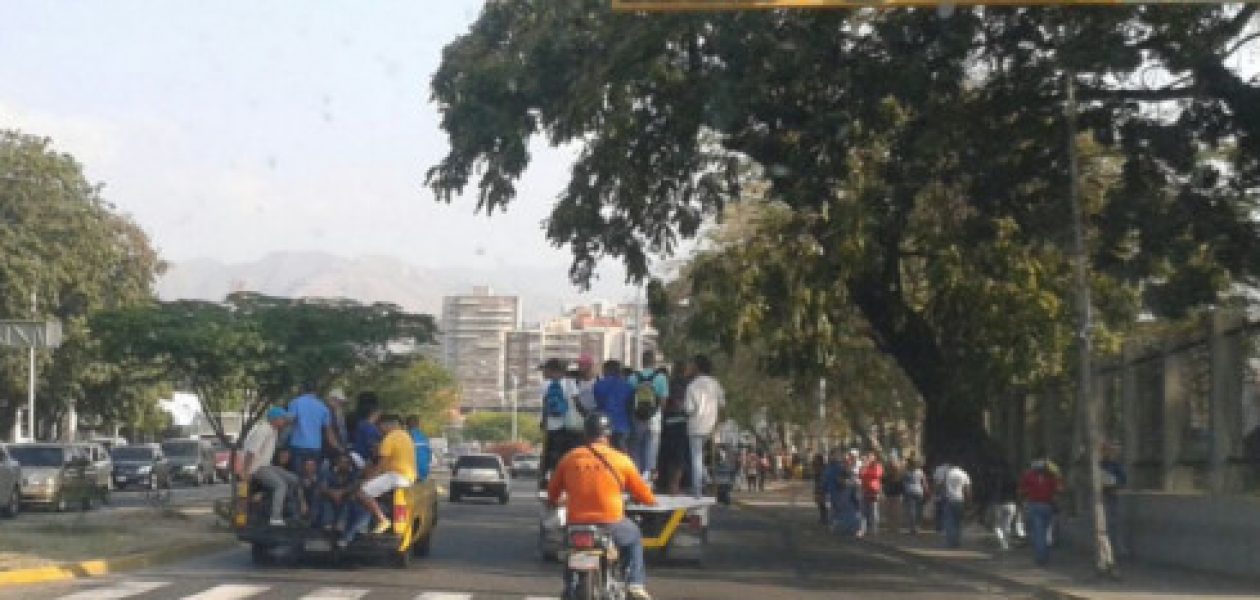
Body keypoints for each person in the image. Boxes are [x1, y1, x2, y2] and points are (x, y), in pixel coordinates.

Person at [547, 412, 657, 600]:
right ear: (608, 434)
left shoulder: (569, 458)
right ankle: (635, 584)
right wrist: (649, 500)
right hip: (611, 523)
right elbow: (644, 495)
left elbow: (553, 492)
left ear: (585, 434)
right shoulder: (621, 459)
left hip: (577, 524)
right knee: (634, 536)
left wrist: (556, 501)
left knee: (570, 550)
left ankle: (568, 586)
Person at [347, 414, 416, 539]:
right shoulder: (406, 436)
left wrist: (367, 480)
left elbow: (380, 465)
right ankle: (368, 523)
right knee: (373, 493)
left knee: (362, 493)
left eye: (380, 428)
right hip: (408, 477)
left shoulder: (389, 438)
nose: (380, 431)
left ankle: (382, 519)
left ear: (386, 424)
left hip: (396, 476)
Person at [236, 407, 299, 526]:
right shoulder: (263, 430)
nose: (284, 422)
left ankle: (288, 511)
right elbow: (250, 452)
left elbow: (290, 420)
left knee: (293, 479)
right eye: (282, 419)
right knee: (280, 485)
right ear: (274, 419)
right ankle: (275, 517)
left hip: (266, 465)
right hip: (257, 468)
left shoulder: (273, 430)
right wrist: (246, 472)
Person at [683, 354, 725, 497]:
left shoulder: (692, 386)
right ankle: (705, 478)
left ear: (696, 367)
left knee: (696, 457)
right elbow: (722, 404)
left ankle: (697, 489)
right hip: (711, 424)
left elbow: (689, 409)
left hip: (695, 425)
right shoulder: (715, 383)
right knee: (702, 456)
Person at [540, 358, 583, 485]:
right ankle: (570, 477)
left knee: (552, 453)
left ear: (552, 370)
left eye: (546, 370)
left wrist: (543, 422)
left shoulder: (545, 385)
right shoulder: (570, 383)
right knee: (569, 453)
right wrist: (585, 416)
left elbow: (545, 405)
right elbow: (577, 403)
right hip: (570, 425)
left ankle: (551, 477)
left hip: (553, 426)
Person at [628, 351, 668, 478]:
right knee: (652, 447)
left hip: (637, 416)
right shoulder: (661, 378)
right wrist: (658, 413)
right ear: (654, 362)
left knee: (636, 446)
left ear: (642, 361)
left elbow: (629, 399)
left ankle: (636, 475)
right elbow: (663, 401)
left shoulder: (633, 377)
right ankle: (648, 477)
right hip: (654, 417)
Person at [286, 382, 343, 470]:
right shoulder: (323, 408)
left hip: (297, 446)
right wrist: (339, 448)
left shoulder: (296, 402)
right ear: (316, 392)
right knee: (311, 476)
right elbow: (330, 434)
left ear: (302, 390)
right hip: (315, 448)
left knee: (296, 476)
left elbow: (289, 421)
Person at [658, 360, 691, 494]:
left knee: (666, 454)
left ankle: (664, 483)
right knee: (679, 457)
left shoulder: (668, 383)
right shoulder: (689, 384)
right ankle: (675, 486)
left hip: (667, 421)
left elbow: (664, 402)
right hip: (682, 421)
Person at [1020, 458, 1060, 565]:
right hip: (1048, 506)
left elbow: (1022, 490)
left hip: (1034, 505)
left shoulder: (1029, 476)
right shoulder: (1052, 477)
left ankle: (1041, 557)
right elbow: (1059, 490)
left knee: (1038, 533)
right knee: (1047, 531)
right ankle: (1045, 554)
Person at [593, 360, 635, 450]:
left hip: (604, 426)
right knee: (621, 457)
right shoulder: (628, 386)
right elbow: (630, 408)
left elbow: (598, 404)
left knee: (605, 455)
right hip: (623, 426)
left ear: (606, 370)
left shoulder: (598, 385)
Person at [316, 454, 359, 532]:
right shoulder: (328, 473)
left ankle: (341, 524)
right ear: (337, 463)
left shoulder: (352, 474)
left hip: (344, 498)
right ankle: (327, 524)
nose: (344, 464)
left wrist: (341, 492)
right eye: (342, 462)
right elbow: (323, 487)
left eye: (346, 462)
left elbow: (354, 486)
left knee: (350, 499)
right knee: (324, 498)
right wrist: (333, 493)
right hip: (330, 498)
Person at [1100, 442, 1127, 556]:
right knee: (1103, 525)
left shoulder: (1115, 465)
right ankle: (1106, 550)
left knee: (1114, 523)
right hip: (1101, 497)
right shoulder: (1099, 464)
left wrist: (1113, 483)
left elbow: (1123, 480)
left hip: (1111, 495)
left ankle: (1116, 548)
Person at [989, 460, 1020, 551]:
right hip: (1011, 503)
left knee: (997, 526)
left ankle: (1002, 543)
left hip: (998, 504)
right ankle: (1006, 544)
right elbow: (1017, 491)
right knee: (1007, 525)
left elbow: (991, 491)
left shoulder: (994, 479)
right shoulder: (1013, 479)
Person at [940, 460, 971, 548]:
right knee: (958, 522)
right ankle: (957, 541)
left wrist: (942, 495)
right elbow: (967, 489)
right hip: (960, 499)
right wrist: (969, 502)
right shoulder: (964, 474)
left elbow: (943, 486)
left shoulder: (948, 474)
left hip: (949, 499)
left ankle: (951, 542)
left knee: (949, 521)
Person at [859, 451, 884, 537]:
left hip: (874, 490)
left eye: (871, 456)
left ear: (874, 457)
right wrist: (864, 466)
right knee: (863, 511)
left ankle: (874, 529)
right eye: (868, 456)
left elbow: (877, 475)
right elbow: (861, 475)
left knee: (874, 511)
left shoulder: (877, 466)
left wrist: (867, 471)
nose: (869, 458)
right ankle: (863, 529)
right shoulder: (864, 466)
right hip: (864, 490)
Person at [901, 457, 929, 534]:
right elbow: (924, 482)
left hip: (909, 491)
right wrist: (926, 491)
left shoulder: (906, 472)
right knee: (919, 510)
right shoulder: (920, 471)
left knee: (911, 510)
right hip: (919, 491)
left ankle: (912, 527)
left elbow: (902, 482)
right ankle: (918, 526)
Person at [406, 415, 433, 482]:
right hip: (424, 470)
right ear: (418, 425)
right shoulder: (424, 437)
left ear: (407, 425)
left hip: (411, 470)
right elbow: (429, 456)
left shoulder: (406, 436)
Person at [811, 454, 828, 525]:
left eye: (816, 459)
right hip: (818, 486)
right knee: (819, 503)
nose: (815, 460)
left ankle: (824, 518)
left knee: (821, 503)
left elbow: (823, 477)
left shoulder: (822, 468)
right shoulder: (816, 467)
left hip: (821, 486)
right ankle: (823, 517)